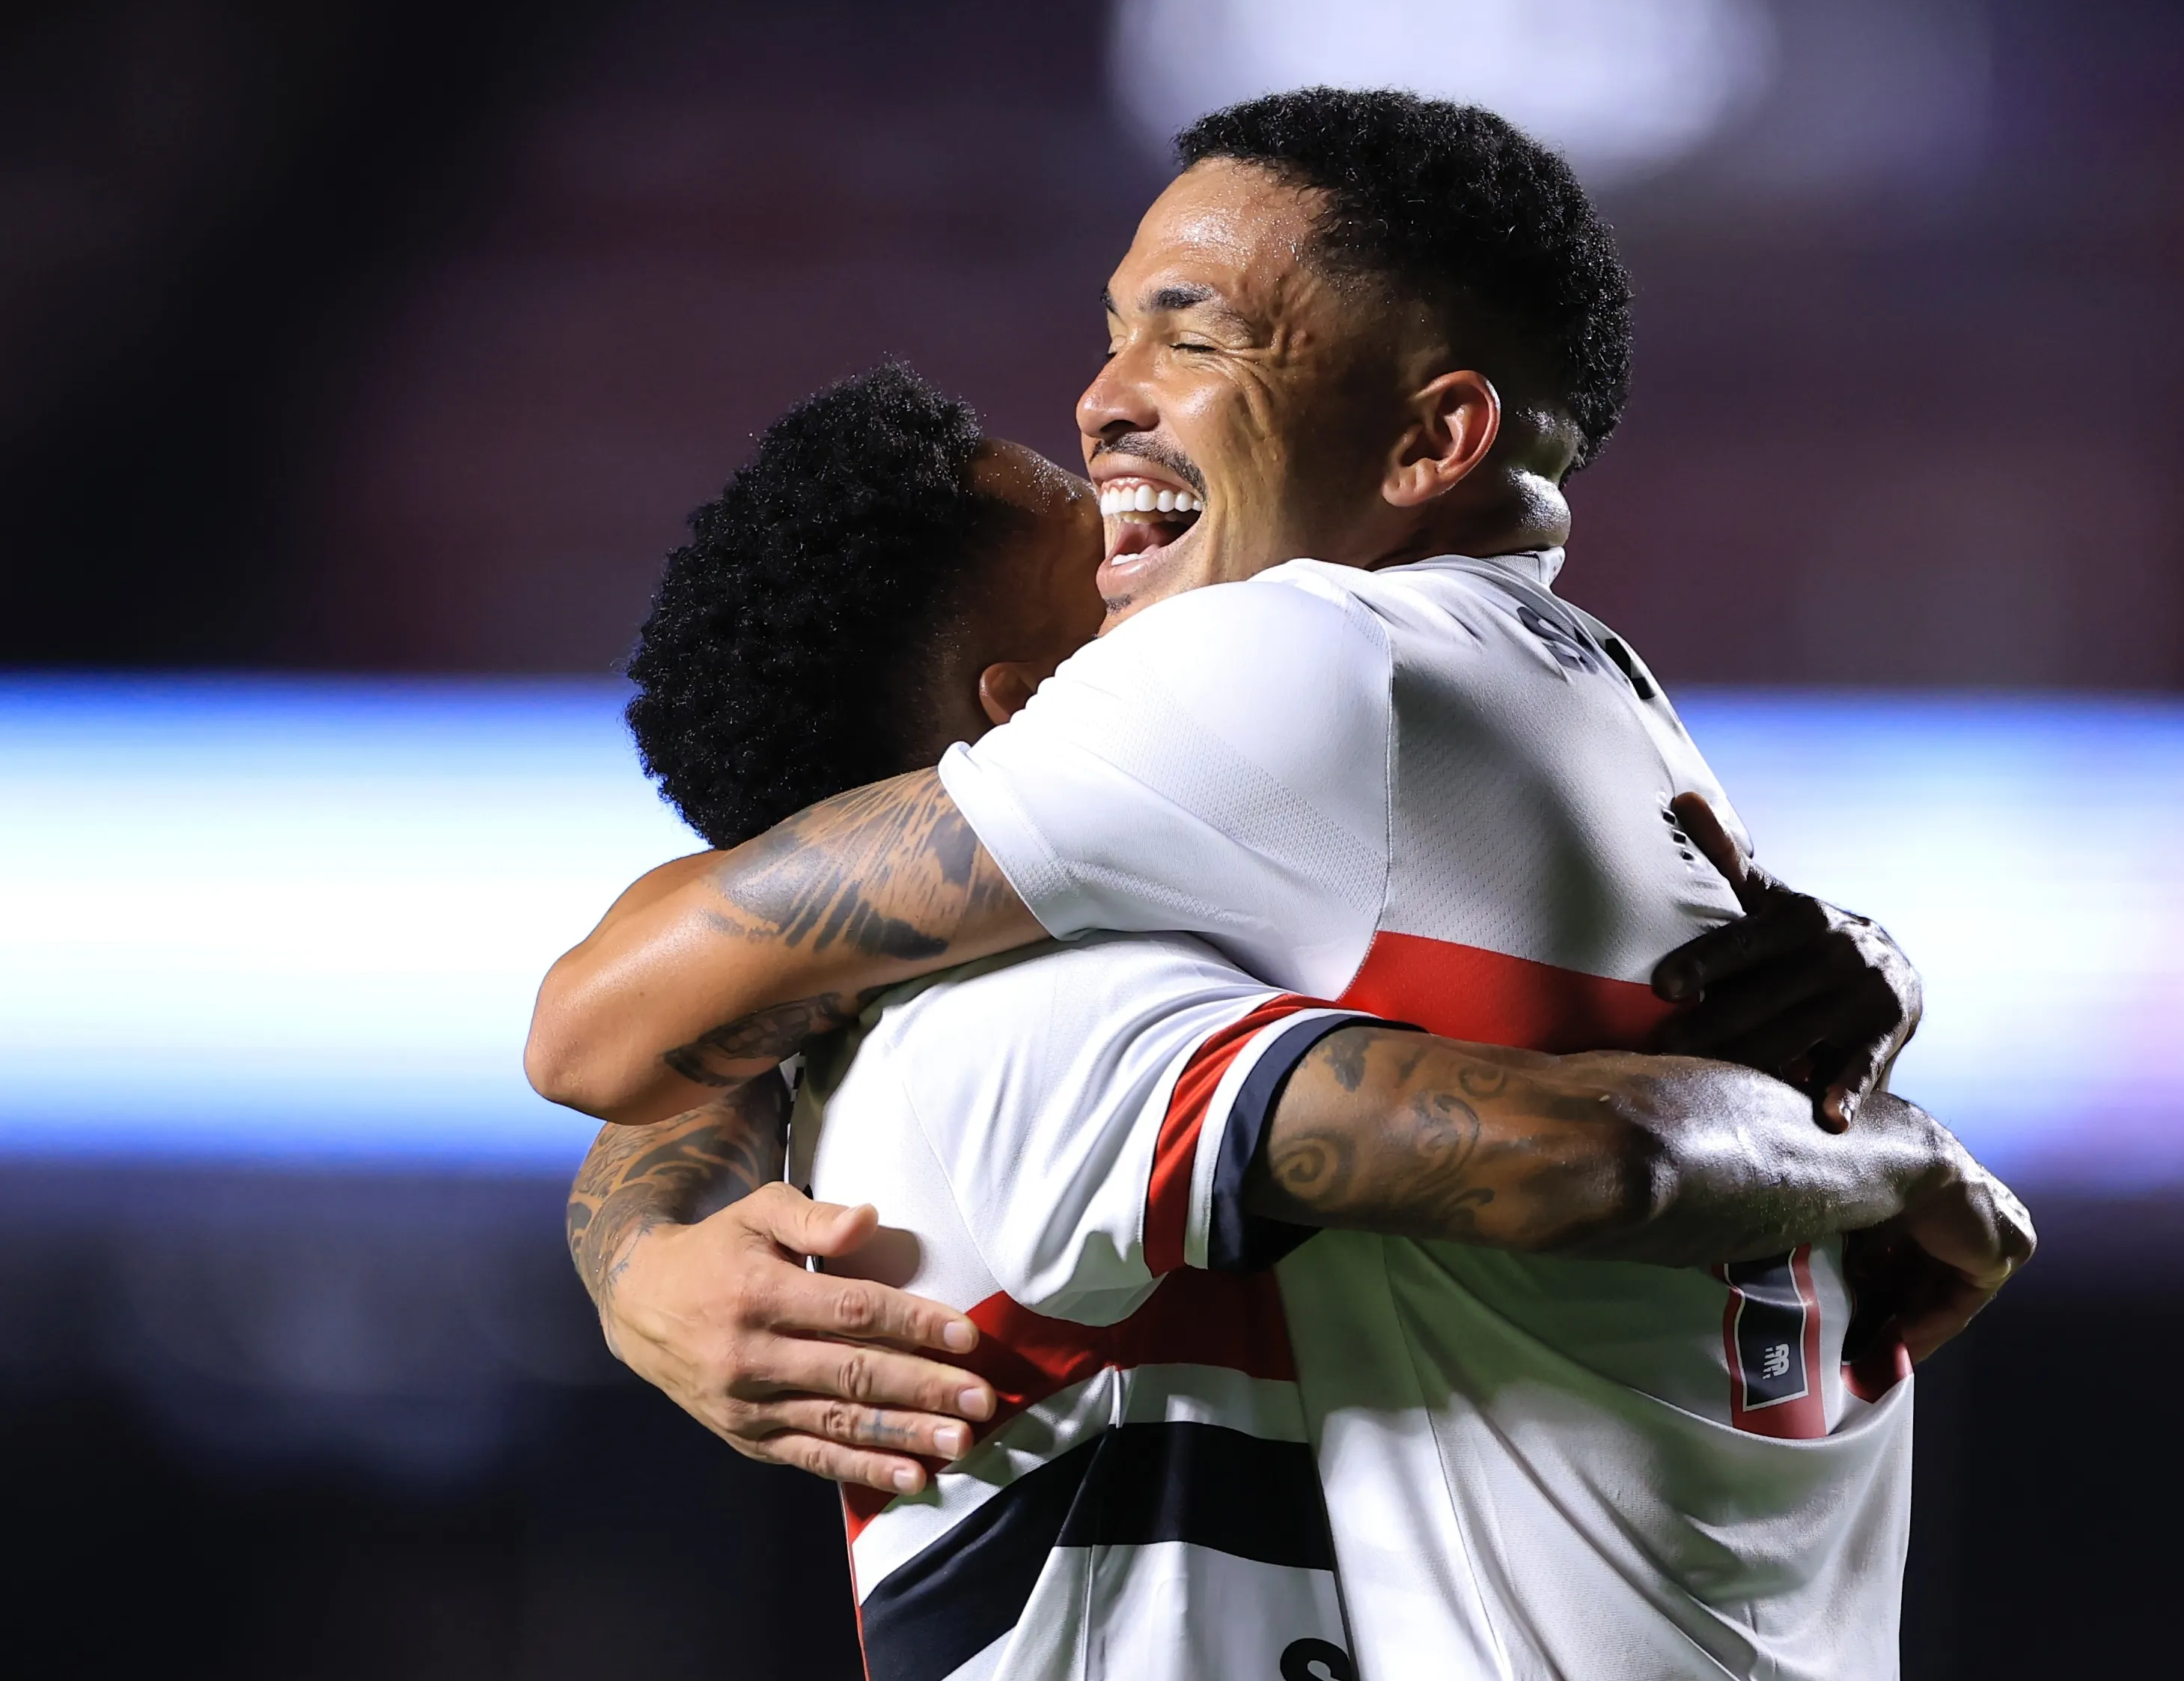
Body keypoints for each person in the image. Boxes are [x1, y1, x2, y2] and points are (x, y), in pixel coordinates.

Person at [537, 89, 2034, 1677]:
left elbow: (599, 1026)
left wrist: (636, 1241)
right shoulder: (1591, 705)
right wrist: (1888, 1139)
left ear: (1437, 434)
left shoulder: (1286, 669)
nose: (1107, 400)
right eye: (1117, 332)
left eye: (1192, 337)